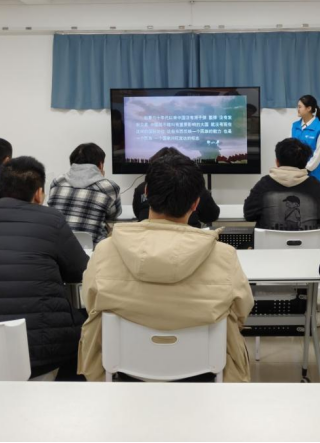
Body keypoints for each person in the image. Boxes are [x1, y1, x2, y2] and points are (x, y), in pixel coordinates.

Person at [78, 154, 254, 382]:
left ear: (147, 193)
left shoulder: (104, 251)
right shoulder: (224, 256)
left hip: (123, 374)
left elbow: (90, 304)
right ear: (196, 203)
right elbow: (241, 311)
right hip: (204, 375)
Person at [0, 157, 89, 380]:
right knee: (86, 323)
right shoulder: (51, 219)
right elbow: (80, 271)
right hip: (38, 352)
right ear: (39, 193)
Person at [48, 143, 122, 247]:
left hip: (55, 247)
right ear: (100, 165)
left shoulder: (57, 182)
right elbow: (113, 214)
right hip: (92, 249)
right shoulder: (108, 187)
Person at [243, 138, 320, 231]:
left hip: (270, 240)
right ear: (305, 163)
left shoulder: (264, 184)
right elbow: (318, 218)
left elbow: (249, 215)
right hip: (306, 240)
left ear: (277, 161)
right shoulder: (315, 186)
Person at [133, 147, 220, 227]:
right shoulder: (196, 188)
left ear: (146, 191)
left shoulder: (141, 189)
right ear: (195, 203)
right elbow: (211, 215)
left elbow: (137, 213)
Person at [291, 94, 320, 184]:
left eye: (300, 107)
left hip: (313, 173)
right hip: (295, 172)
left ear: (308, 108)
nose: (298, 109)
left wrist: (306, 169)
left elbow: (319, 153)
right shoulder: (294, 126)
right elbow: (289, 148)